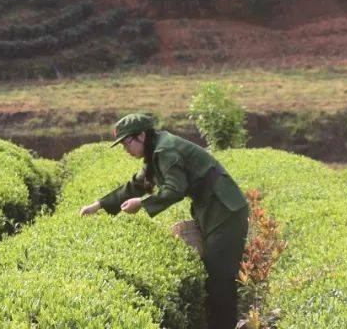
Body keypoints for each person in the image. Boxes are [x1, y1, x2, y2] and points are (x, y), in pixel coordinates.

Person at [80, 113, 249, 329]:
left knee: (219, 276)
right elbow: (137, 184)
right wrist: (99, 205)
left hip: (225, 209)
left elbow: (174, 189)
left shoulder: (165, 150)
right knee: (214, 274)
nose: (125, 150)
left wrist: (141, 204)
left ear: (141, 136)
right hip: (211, 209)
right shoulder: (155, 151)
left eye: (126, 143)